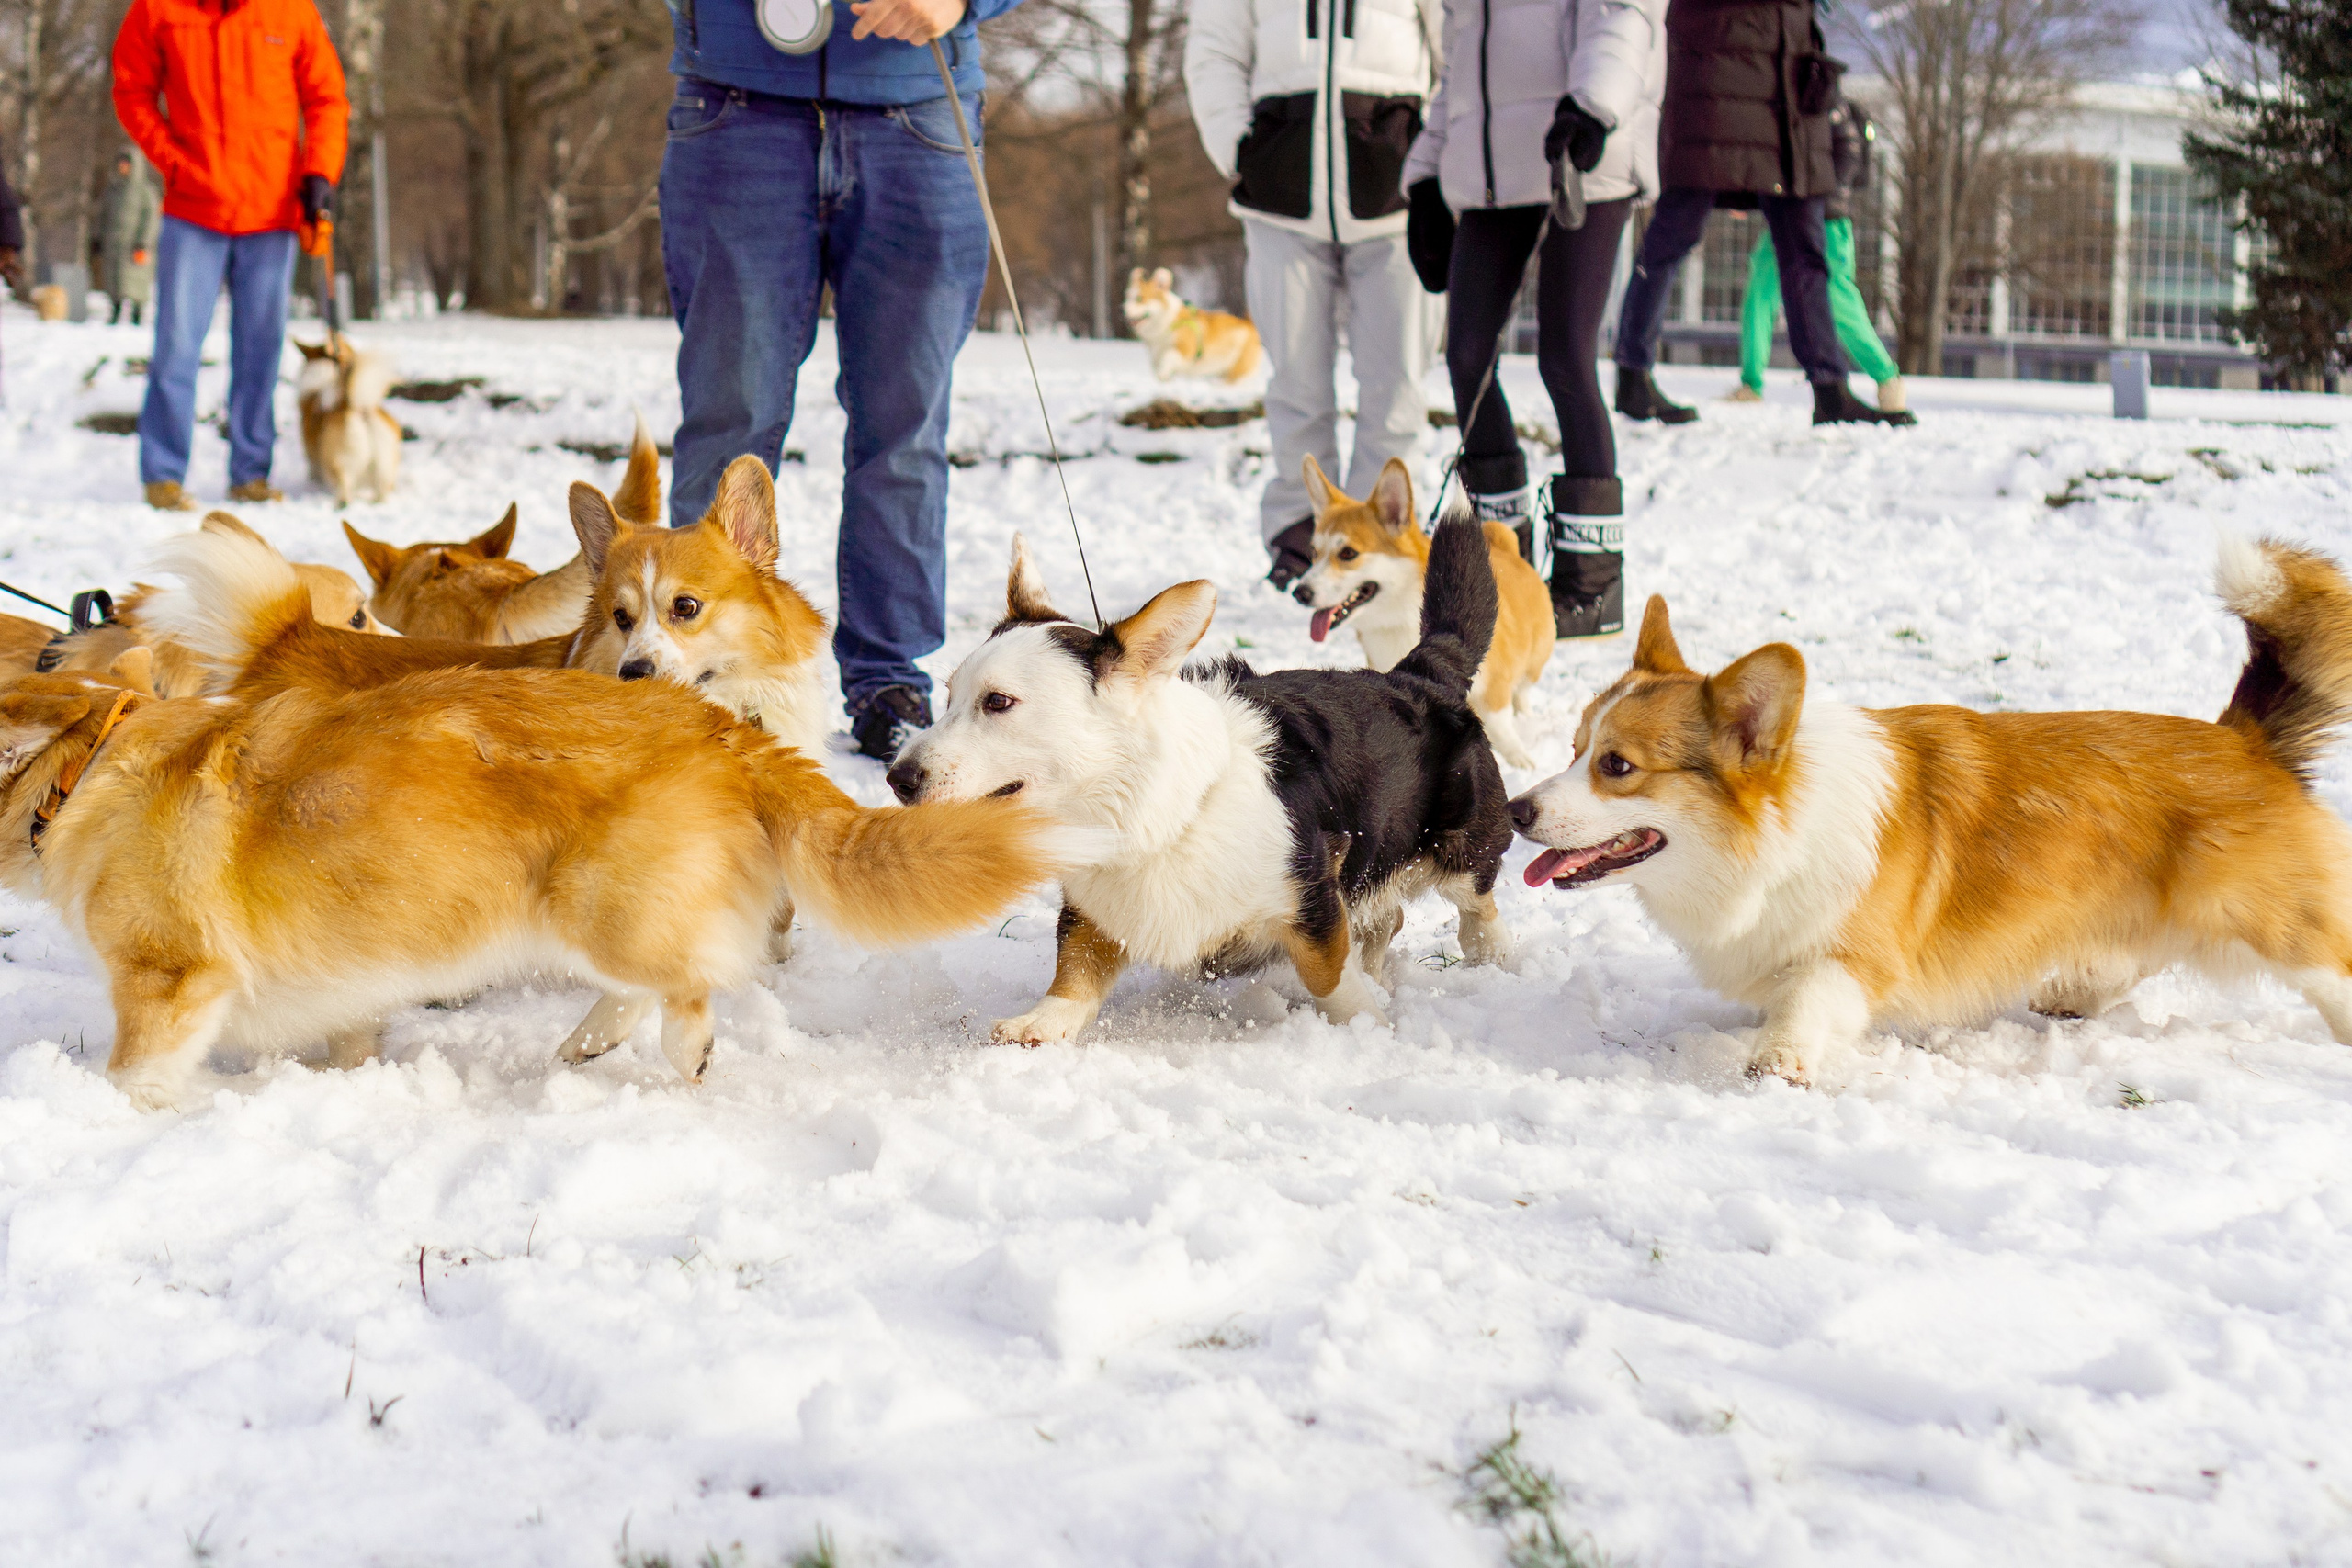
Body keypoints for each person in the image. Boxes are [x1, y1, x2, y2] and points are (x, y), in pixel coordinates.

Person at [661, 0, 1032, 761]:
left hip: (919, 112)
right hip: (736, 105)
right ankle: (692, 670)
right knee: (729, 418)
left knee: (905, 428)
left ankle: (890, 681)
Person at [1402, 0, 1670, 638]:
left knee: (1566, 359)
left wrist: (1592, 106)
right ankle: (1502, 566)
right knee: (1467, 355)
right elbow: (1458, 71)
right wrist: (1425, 175)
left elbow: (1622, 15)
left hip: (1581, 155)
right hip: (1490, 173)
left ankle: (1592, 585)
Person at [1184, 0, 1443, 591]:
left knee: (1398, 380)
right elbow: (1214, 49)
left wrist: (1431, 149)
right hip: (1280, 195)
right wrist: (1239, 149)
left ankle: (1384, 535)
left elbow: (1457, 41)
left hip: (1398, 195)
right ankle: (1302, 531)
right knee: (1297, 381)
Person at [1609, 0, 1903, 427]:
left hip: (1788, 99)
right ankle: (1632, 373)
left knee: (1805, 251)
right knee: (1674, 234)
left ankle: (1830, 389)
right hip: (1720, 91)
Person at [113, 0, 348, 513]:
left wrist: (319, 174)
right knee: (176, 346)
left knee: (260, 348)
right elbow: (131, 91)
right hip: (193, 209)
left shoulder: (291, 11)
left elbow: (327, 98)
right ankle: (163, 475)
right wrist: (174, 164)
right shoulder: (157, 9)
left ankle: (251, 473)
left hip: (272, 211)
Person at [1726, 95, 1909, 420]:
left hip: (1826, 220)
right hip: (1790, 215)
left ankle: (1887, 379)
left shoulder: (1827, 99)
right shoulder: (1785, 98)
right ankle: (1751, 385)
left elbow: (1848, 154)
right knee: (1760, 293)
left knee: (1838, 301)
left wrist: (1820, 201)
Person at [98, 151, 162, 328]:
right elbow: (103, 215)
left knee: (136, 280)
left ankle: (137, 313)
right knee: (114, 280)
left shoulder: (145, 191)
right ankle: (115, 310)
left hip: (135, 245)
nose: (123, 167)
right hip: (114, 243)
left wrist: (144, 241)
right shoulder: (112, 190)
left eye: (126, 164)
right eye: (121, 164)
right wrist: (99, 237)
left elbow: (151, 218)